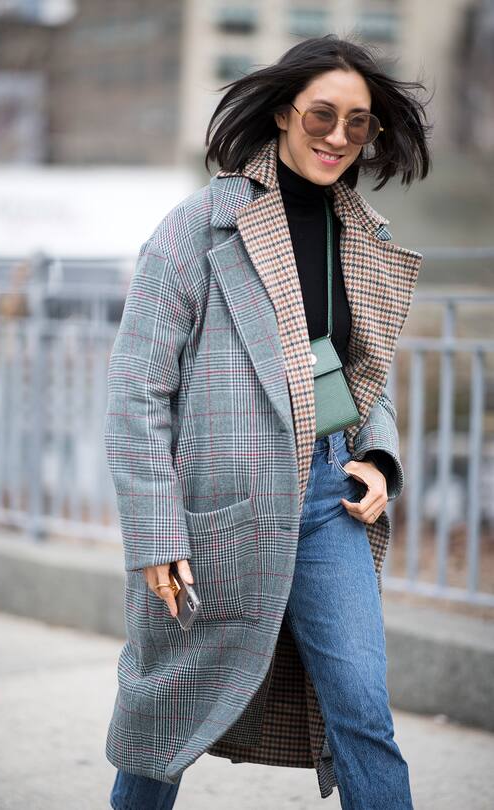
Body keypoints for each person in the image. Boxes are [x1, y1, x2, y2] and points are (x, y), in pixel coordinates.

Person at [106, 34, 432, 810]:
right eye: (323, 114)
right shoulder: (198, 226)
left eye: (360, 124)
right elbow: (137, 392)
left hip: (329, 499)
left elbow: (360, 370)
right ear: (286, 111)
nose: (339, 137)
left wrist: (379, 460)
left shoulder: (360, 232)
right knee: (171, 710)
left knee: (363, 710)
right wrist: (156, 534)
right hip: (218, 506)